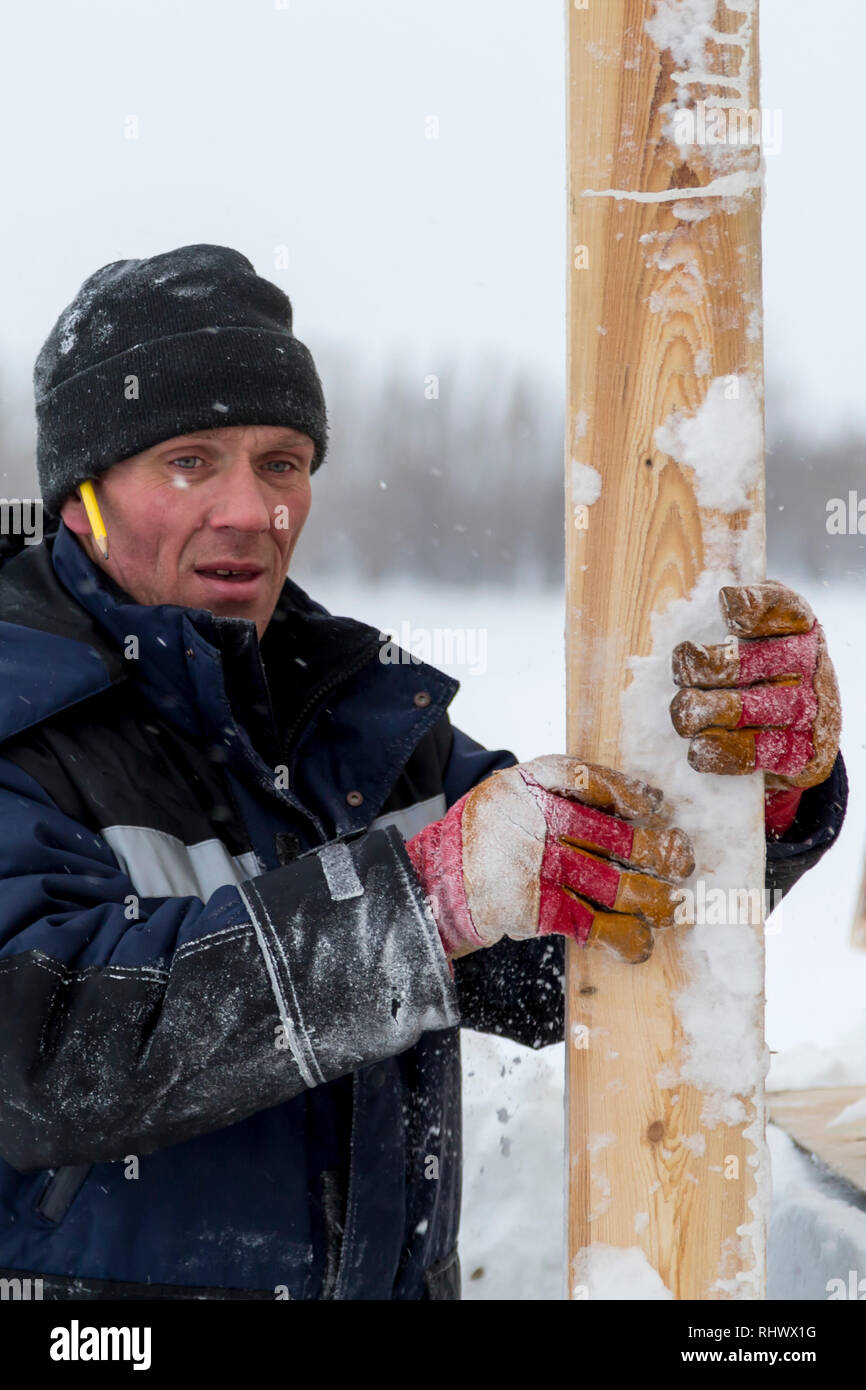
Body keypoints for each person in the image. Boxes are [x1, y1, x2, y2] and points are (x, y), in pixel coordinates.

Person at [0, 245, 846, 1301]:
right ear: (81, 496)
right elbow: (43, 1058)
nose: (248, 508)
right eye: (189, 460)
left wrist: (757, 794)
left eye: (280, 462)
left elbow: (575, 949)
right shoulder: (22, 716)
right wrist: (423, 902)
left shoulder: (354, 717)